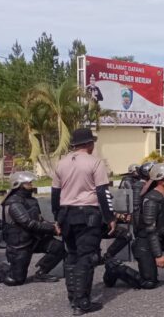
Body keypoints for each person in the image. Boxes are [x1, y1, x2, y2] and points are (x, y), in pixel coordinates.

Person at [104, 163, 164, 289]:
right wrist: (158, 255)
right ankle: (115, 267)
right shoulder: (151, 199)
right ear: (160, 179)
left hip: (163, 239)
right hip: (145, 245)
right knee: (149, 283)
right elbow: (151, 230)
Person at [51, 128, 115, 315]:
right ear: (88, 144)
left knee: (72, 256)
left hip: (66, 214)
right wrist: (110, 217)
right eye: (92, 142)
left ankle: (73, 297)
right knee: (88, 257)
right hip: (88, 214)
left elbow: (55, 194)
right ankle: (82, 302)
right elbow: (103, 192)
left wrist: (57, 218)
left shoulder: (61, 163)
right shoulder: (95, 163)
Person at [0, 172, 66, 286]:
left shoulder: (32, 200)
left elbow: (39, 220)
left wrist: (54, 225)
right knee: (15, 280)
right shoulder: (13, 203)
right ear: (18, 184)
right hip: (20, 244)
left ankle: (41, 272)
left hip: (35, 238)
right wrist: (52, 229)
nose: (31, 184)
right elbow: (28, 223)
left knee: (59, 248)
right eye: (28, 183)